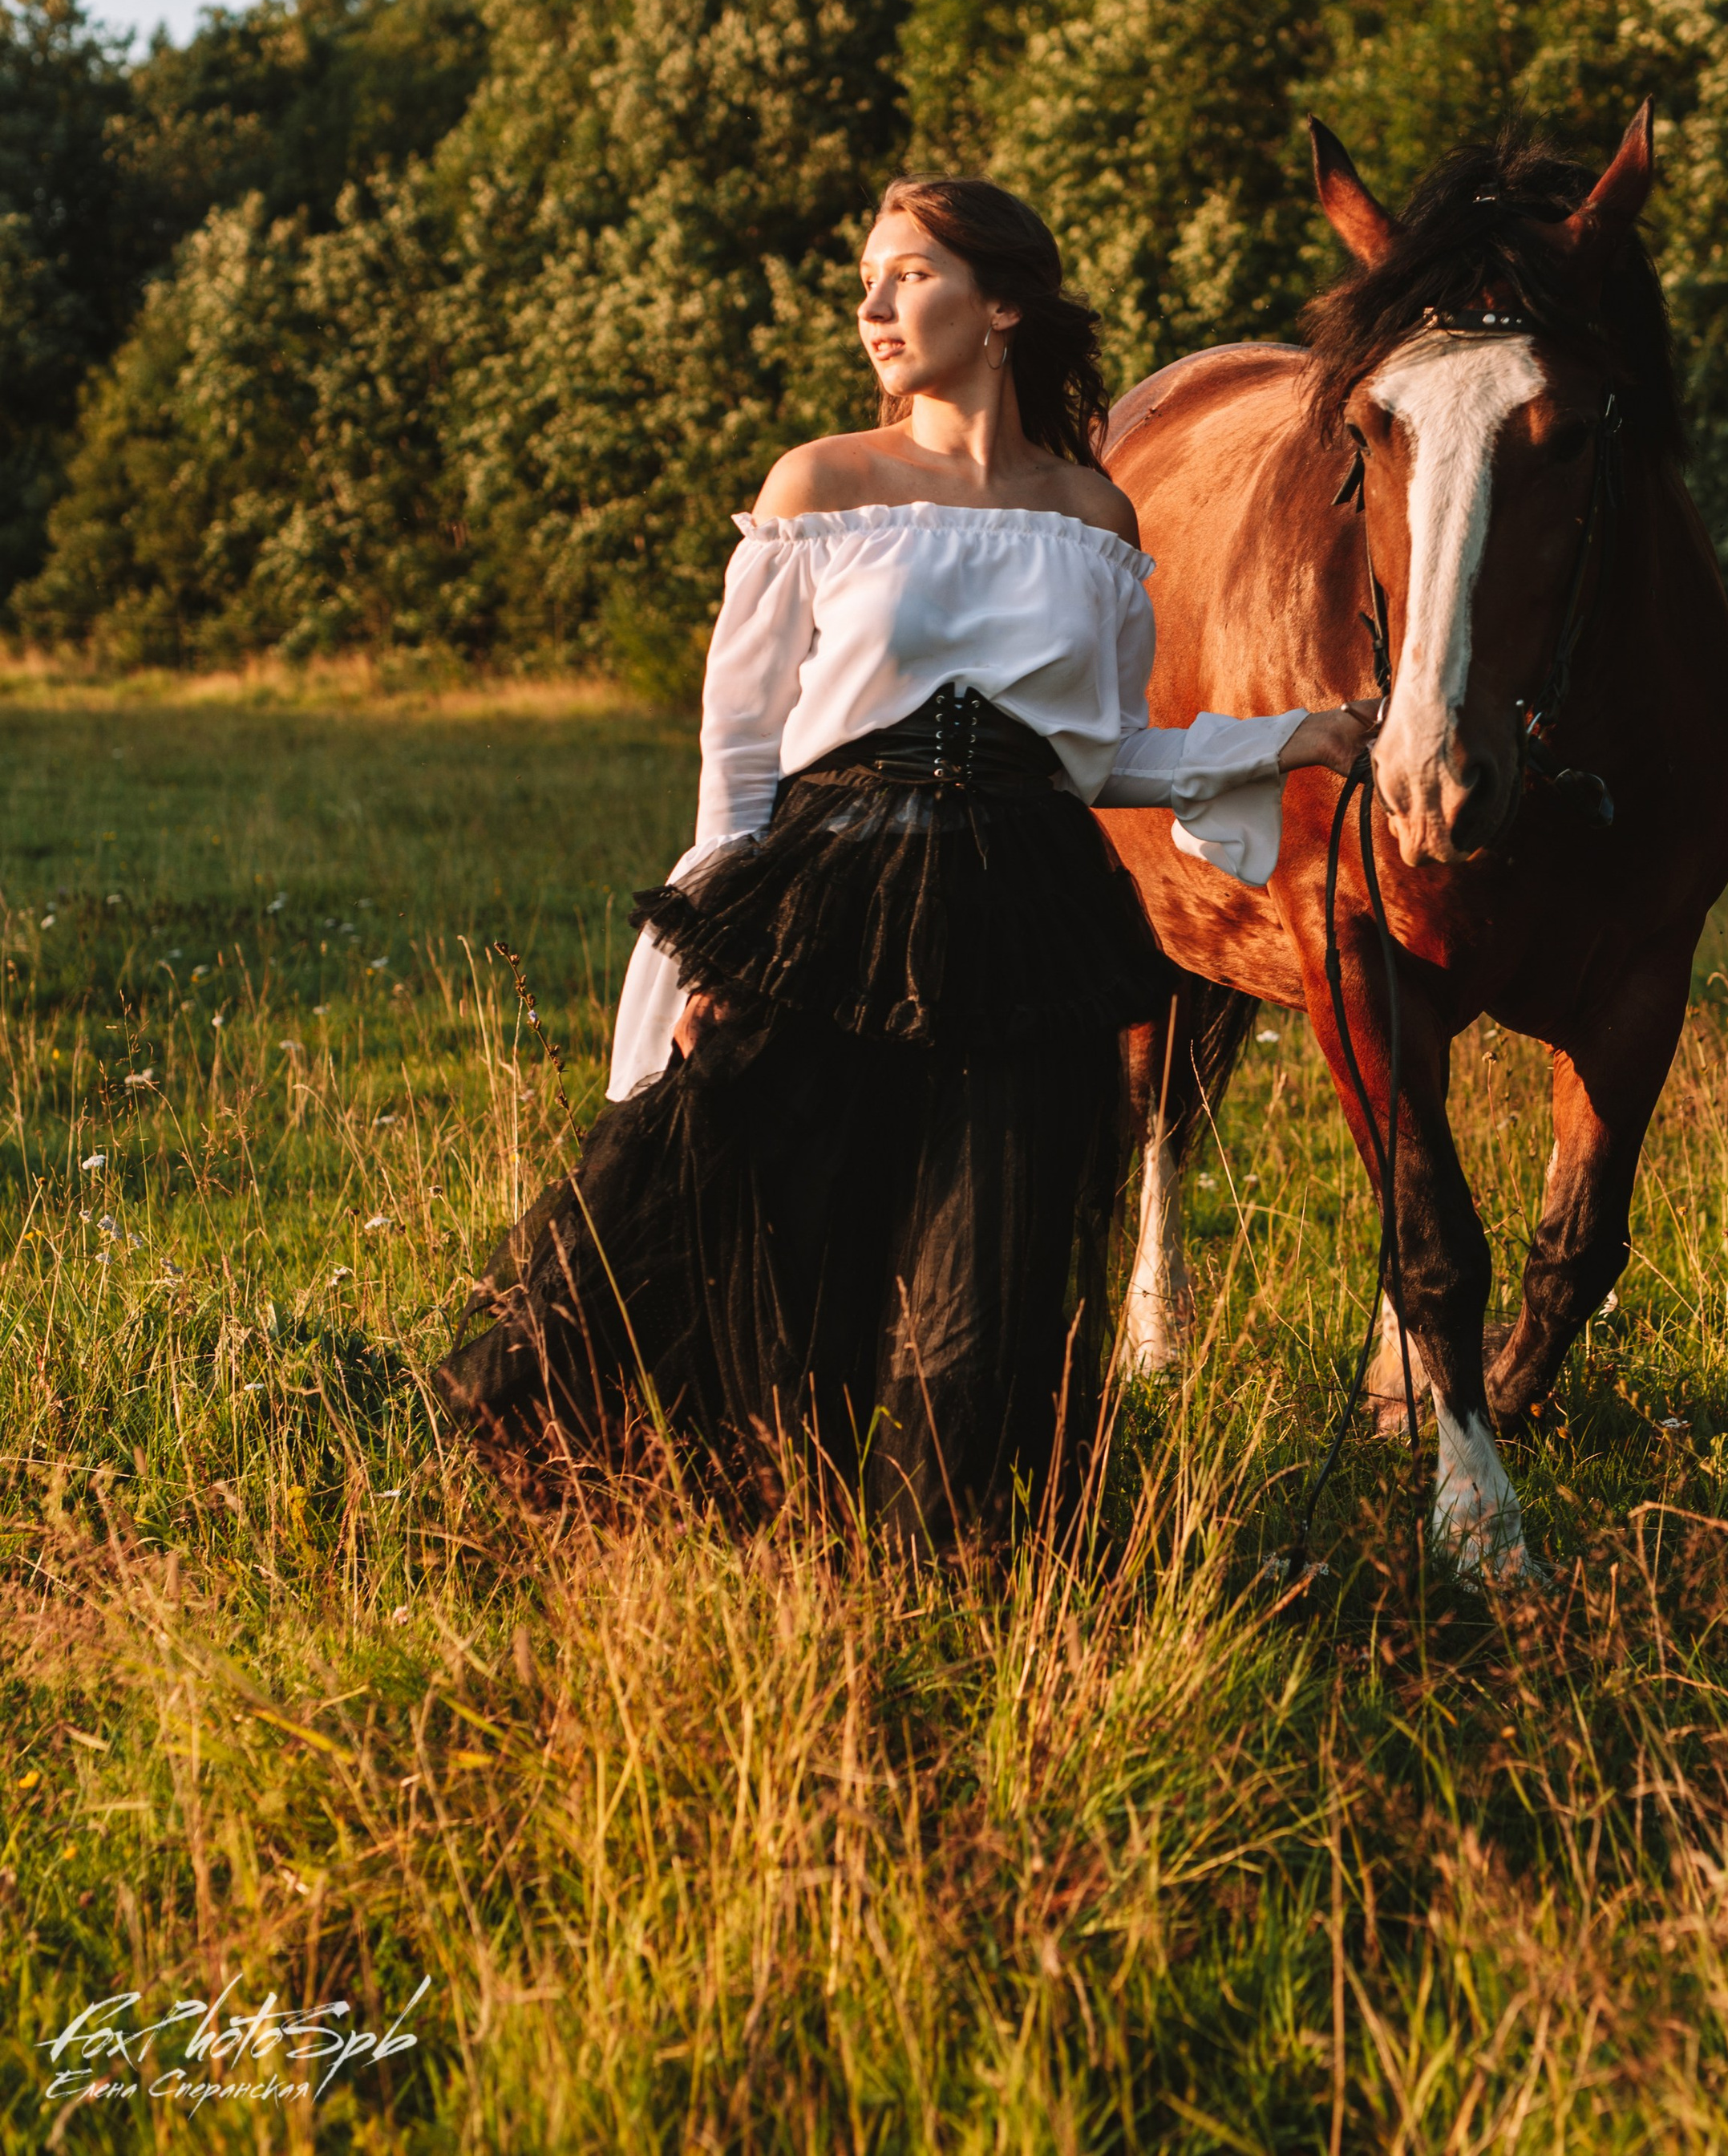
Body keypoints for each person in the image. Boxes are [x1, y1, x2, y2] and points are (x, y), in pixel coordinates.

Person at [432, 178, 1376, 1549]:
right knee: (778, 1252)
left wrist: (1304, 736)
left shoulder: (1095, 518)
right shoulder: (820, 487)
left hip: (1025, 920)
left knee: (983, 1290)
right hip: (829, 908)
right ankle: (760, 1557)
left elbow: (1103, 756)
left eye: (908, 275)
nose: (873, 306)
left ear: (1000, 305)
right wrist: (712, 950)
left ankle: (937, 1574)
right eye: (868, 280)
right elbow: (741, 757)